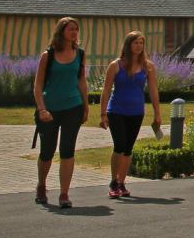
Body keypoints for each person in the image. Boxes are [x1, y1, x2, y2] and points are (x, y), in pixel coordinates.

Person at [33, 17, 89, 208]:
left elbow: (81, 81)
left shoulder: (80, 54)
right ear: (61, 31)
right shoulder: (48, 55)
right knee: (47, 151)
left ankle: (64, 194)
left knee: (67, 150)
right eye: (70, 29)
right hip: (49, 109)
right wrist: (42, 109)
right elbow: (38, 85)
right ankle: (41, 185)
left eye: (76, 29)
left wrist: (86, 106)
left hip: (73, 107)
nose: (74, 32)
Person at [99, 31, 161, 198]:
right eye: (135, 43)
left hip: (136, 111)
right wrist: (103, 114)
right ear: (128, 45)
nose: (139, 46)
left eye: (141, 43)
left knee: (128, 148)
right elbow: (106, 90)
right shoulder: (116, 65)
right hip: (116, 110)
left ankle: (121, 182)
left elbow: (153, 90)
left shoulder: (148, 66)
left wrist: (157, 113)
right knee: (119, 145)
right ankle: (113, 182)